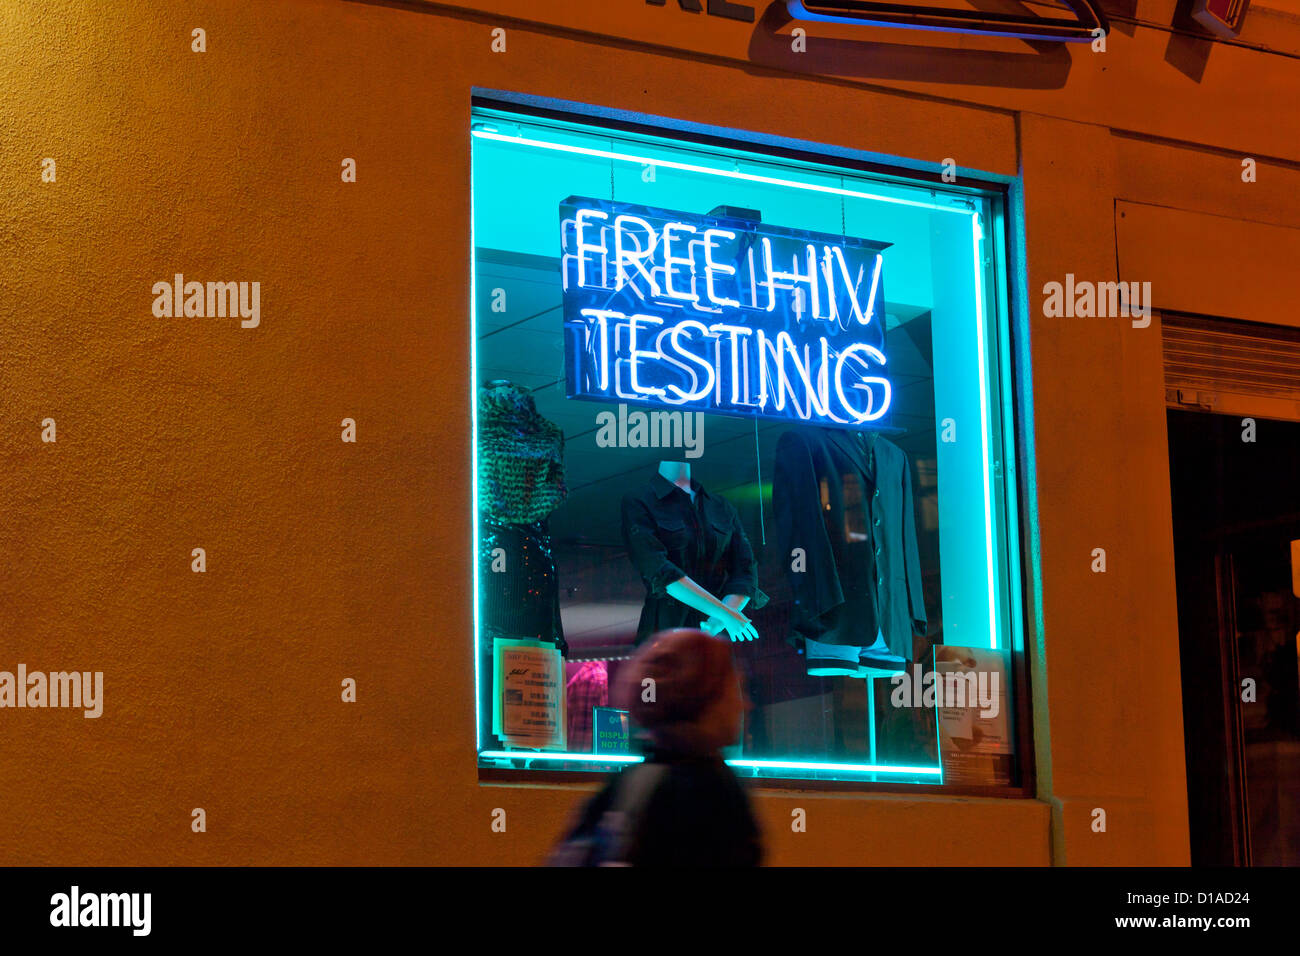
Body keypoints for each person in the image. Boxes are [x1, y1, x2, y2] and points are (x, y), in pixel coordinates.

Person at [548, 628, 763, 866]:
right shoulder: (709, 789)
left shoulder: (633, 781)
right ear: (703, 698)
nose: (746, 704)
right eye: (734, 689)